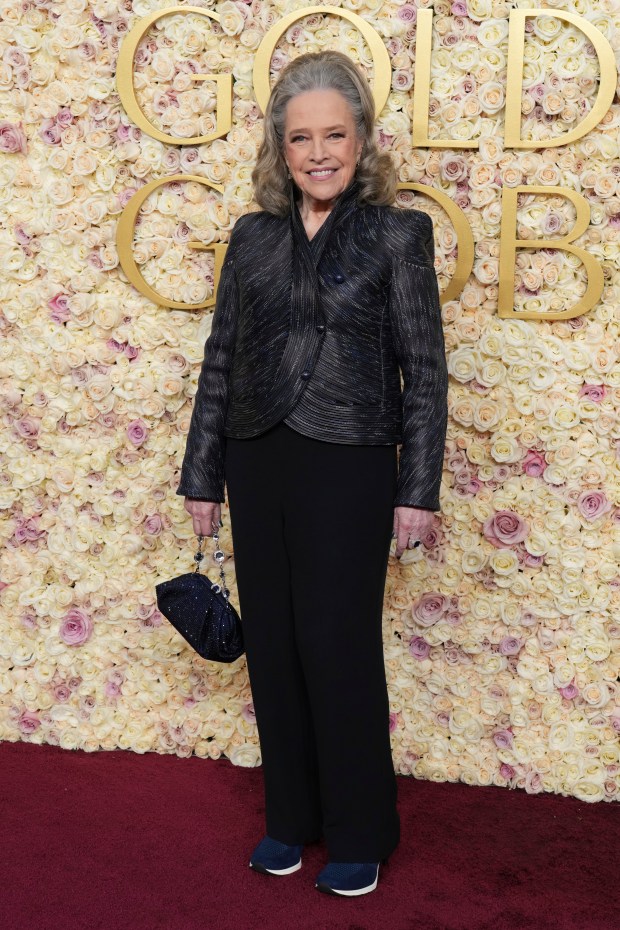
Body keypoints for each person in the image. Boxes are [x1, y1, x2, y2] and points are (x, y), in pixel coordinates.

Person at [176, 50, 448, 897]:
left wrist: (418, 490)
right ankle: (289, 821)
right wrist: (201, 475)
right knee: (278, 648)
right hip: (258, 460)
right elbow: (221, 357)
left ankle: (361, 830)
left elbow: (425, 368)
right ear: (280, 147)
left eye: (335, 133)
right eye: (302, 137)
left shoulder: (398, 233)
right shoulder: (254, 237)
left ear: (361, 139)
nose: (319, 151)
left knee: (337, 645)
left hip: (351, 464)